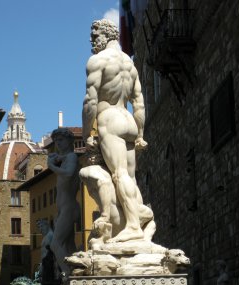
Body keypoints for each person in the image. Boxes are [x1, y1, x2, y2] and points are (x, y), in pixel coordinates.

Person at [82, 19, 148, 243]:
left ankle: (132, 226)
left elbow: (90, 102)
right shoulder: (130, 64)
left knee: (119, 175)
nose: (92, 41)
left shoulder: (97, 61)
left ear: (106, 34)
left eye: (94, 36)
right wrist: (139, 134)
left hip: (110, 119)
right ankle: (140, 220)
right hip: (128, 119)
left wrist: (85, 134)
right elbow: (138, 103)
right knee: (130, 178)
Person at [48, 128, 80, 276]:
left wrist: (52, 167)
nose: (58, 144)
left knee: (55, 244)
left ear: (69, 141)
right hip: (63, 208)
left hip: (69, 207)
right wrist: (58, 159)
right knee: (69, 246)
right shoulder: (66, 158)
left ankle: (68, 275)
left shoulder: (72, 157)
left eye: (61, 140)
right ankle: (78, 270)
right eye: (56, 141)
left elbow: (68, 174)